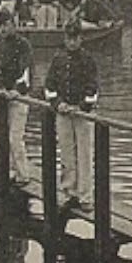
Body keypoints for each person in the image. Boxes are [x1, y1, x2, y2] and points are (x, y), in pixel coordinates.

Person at [43, 21, 100, 211]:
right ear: (65, 39)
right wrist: (58, 103)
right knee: (66, 154)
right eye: (69, 38)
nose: (72, 42)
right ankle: (69, 192)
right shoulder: (58, 59)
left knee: (84, 155)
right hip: (63, 112)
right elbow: (49, 86)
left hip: (82, 114)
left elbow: (93, 88)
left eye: (75, 38)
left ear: (81, 39)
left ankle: (85, 196)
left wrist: (82, 106)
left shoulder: (88, 60)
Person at [0, 9, 33, 185]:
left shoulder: (23, 45)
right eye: (0, 25)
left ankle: (24, 174)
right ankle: (10, 171)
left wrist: (17, 90)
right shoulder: (0, 44)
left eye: (6, 25)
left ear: (13, 25)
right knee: (3, 137)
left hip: (18, 97)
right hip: (2, 95)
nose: (3, 29)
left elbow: (25, 70)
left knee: (15, 137)